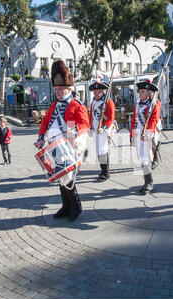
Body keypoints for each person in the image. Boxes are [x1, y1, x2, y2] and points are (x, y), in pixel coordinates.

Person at [34, 60, 89, 222]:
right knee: (60, 176)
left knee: (68, 176)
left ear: (69, 88)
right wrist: (40, 139)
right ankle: (66, 207)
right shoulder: (53, 106)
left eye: (60, 89)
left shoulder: (77, 105)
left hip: (70, 146)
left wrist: (75, 131)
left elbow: (85, 124)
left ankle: (76, 207)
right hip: (54, 147)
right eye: (56, 89)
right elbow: (44, 123)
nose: (57, 92)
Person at [130, 79, 162, 195]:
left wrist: (147, 134)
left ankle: (149, 183)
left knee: (146, 159)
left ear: (149, 93)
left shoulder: (154, 105)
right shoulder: (137, 105)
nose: (140, 94)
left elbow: (153, 121)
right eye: (139, 91)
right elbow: (134, 121)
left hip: (147, 135)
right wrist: (132, 135)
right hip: (139, 134)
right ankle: (147, 182)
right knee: (142, 159)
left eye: (142, 91)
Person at [88, 80, 115, 182]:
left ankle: (105, 172)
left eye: (97, 91)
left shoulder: (108, 101)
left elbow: (111, 117)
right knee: (98, 150)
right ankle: (103, 170)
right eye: (94, 91)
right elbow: (91, 114)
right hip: (95, 128)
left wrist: (104, 127)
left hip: (104, 129)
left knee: (103, 150)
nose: (95, 93)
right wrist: (90, 126)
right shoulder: (94, 101)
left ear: (102, 91)